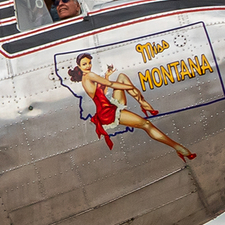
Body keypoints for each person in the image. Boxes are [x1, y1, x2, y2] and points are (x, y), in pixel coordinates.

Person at [67, 53, 195, 159]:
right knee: (146, 125)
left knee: (122, 77)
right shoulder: (89, 76)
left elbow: (103, 91)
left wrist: (107, 75)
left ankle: (143, 104)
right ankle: (179, 148)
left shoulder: (87, 78)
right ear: (78, 66)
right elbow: (110, 85)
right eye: (84, 64)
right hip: (108, 113)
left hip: (110, 106)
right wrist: (130, 87)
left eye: (89, 63)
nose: (88, 66)